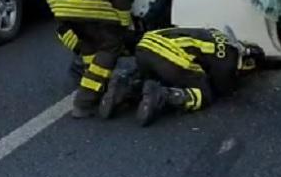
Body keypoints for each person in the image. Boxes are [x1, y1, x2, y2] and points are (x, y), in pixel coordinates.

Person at [98, 27, 265, 126]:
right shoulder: (230, 56)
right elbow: (223, 87)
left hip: (146, 46)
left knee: (158, 77)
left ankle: (125, 86)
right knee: (205, 92)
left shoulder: (218, 34)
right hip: (168, 54)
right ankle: (165, 96)